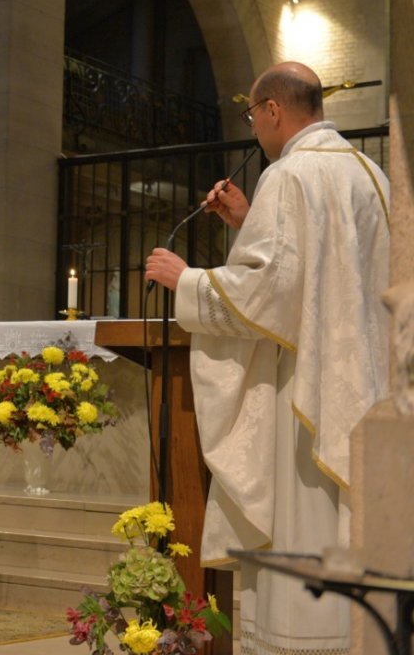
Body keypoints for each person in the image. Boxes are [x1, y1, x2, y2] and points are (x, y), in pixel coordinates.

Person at [145, 62, 389, 655]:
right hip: (367, 388)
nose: (254, 127)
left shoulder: (290, 173)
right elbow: (320, 276)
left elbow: (269, 292)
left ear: (274, 110)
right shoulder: (372, 174)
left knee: (303, 525)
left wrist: (187, 282)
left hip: (305, 392)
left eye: (253, 115)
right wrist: (249, 221)